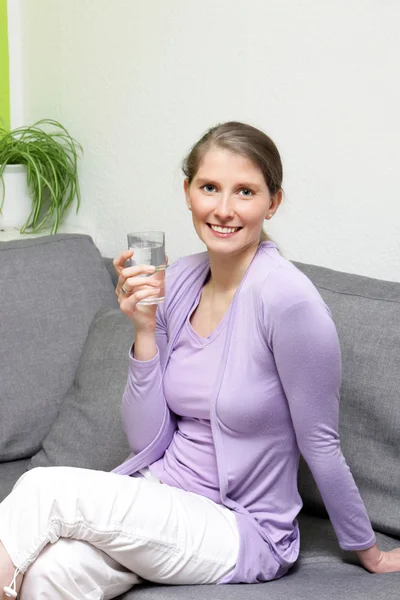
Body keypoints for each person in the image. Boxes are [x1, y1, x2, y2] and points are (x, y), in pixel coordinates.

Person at [0, 122, 399, 599]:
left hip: (242, 529)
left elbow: (321, 443)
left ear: (272, 203)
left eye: (245, 192)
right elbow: (148, 439)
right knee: (54, 571)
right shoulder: (179, 280)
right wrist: (145, 329)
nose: (224, 209)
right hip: (163, 497)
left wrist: (368, 549)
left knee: (45, 490)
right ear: (188, 192)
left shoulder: (290, 302)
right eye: (210, 187)